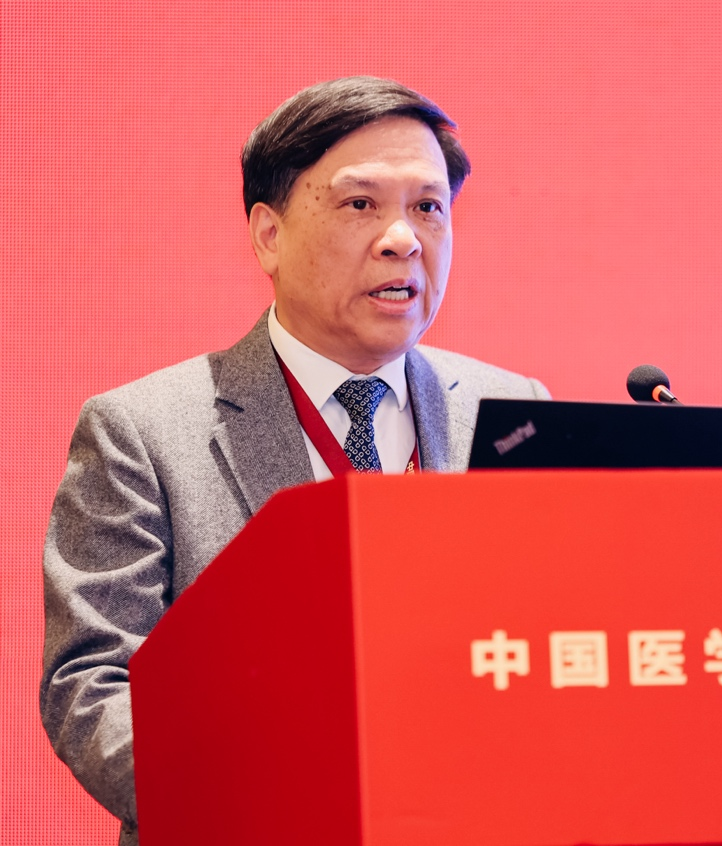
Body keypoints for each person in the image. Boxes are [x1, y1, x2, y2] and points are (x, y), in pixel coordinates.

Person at [40, 77, 548, 846]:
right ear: (267, 235)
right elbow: (92, 684)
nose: (403, 239)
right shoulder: (141, 430)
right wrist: (264, 803)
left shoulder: (510, 411)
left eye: (428, 207)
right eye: (360, 204)